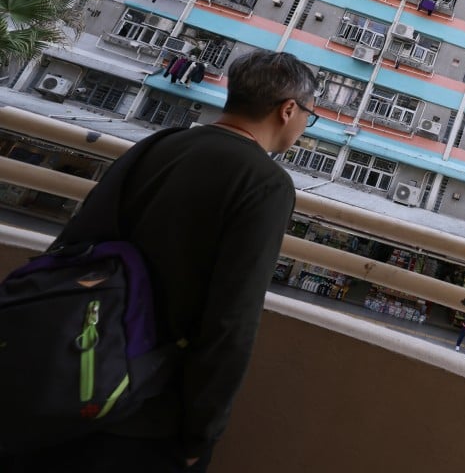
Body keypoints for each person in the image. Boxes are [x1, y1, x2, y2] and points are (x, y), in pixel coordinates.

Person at [1, 49, 318, 473]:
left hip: (61, 369)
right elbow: (232, 318)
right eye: (309, 115)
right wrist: (201, 431)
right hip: (142, 407)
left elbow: (74, 241)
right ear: (288, 110)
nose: (304, 126)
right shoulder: (266, 183)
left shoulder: (159, 143)